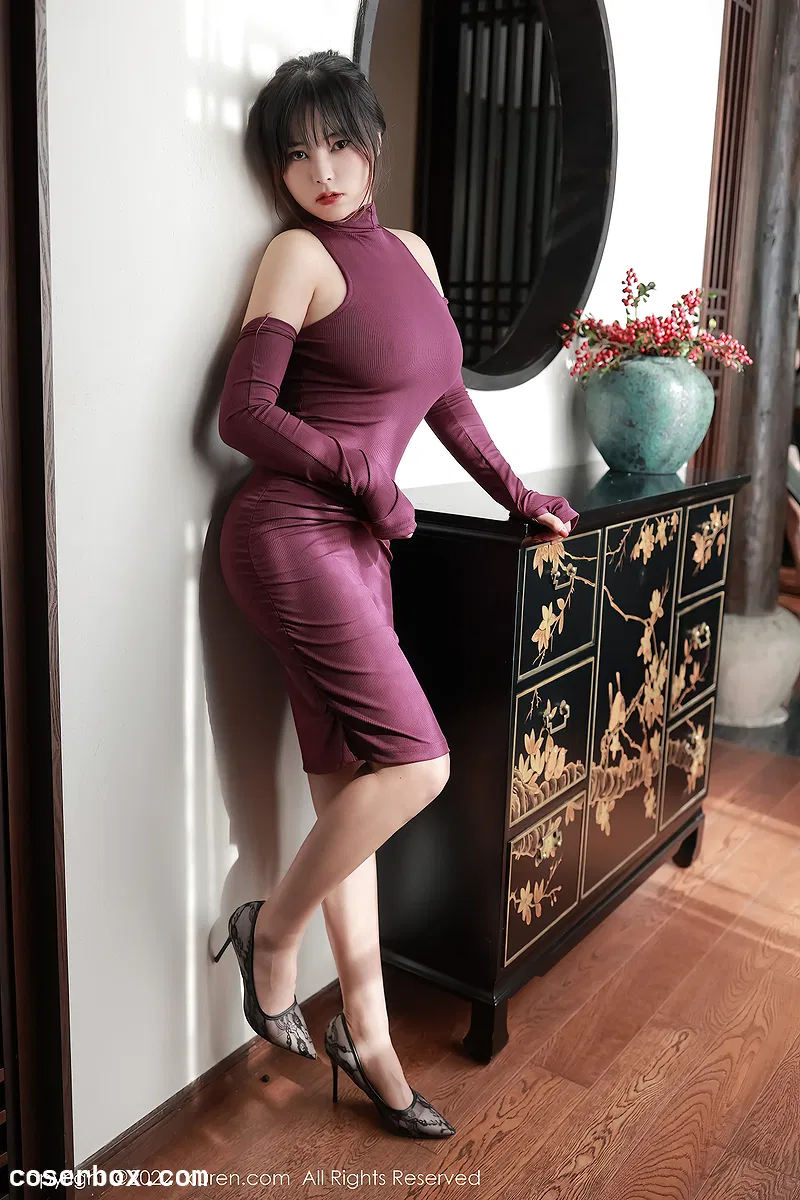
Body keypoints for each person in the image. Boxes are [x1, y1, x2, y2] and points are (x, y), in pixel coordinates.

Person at [212, 49, 580, 1139]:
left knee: (350, 798)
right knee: (419, 765)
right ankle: (271, 935)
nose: (321, 172)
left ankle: (370, 1047)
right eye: (295, 155)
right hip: (291, 536)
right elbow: (242, 415)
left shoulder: (410, 254)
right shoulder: (296, 255)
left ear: (372, 142)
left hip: (362, 548)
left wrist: (519, 494)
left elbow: (444, 398)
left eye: (337, 143)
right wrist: (362, 476)